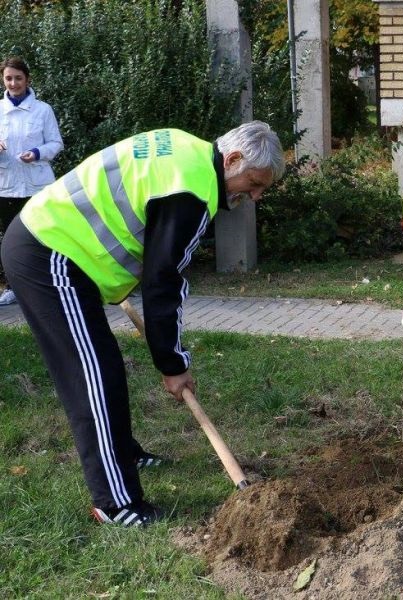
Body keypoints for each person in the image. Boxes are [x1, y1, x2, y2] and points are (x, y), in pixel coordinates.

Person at [1, 120, 285, 525]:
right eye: (254, 183)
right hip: (49, 253)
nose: (254, 196)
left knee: (106, 368)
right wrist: (173, 364)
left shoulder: (187, 147)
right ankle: (115, 503)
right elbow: (163, 284)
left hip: (57, 247)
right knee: (93, 375)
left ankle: (122, 452)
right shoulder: (192, 191)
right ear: (234, 159)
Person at [0, 56, 63, 305]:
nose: (13, 83)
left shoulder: (43, 110)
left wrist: (37, 153)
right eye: (8, 78)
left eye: (18, 78)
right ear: (3, 79)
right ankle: (12, 288)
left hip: (38, 185)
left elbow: (56, 143)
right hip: (6, 186)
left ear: (27, 79)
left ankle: (48, 283)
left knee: (44, 234)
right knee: (9, 239)